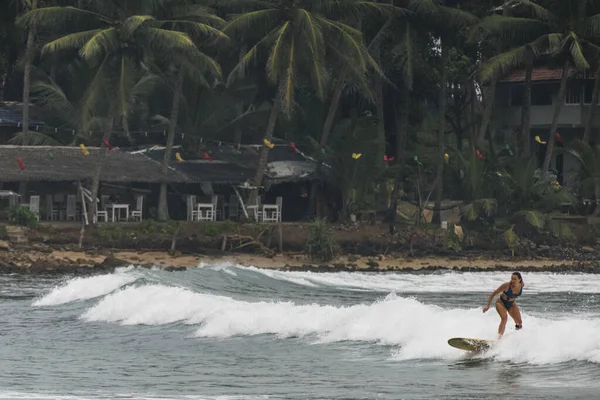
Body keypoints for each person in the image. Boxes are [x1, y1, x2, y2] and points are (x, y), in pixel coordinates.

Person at [482, 272, 524, 338]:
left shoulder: (522, 285)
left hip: (512, 304)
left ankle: (517, 337)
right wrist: (488, 305)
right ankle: (499, 339)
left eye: (515, 279)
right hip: (501, 303)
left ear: (520, 280)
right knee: (504, 318)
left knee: (519, 322)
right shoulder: (506, 285)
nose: (512, 281)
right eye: (512, 279)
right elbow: (493, 293)